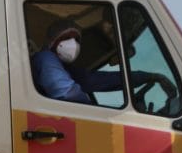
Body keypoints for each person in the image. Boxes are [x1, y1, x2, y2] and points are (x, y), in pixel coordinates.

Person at [31, 19, 172, 104]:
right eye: (67, 38)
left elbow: (104, 80)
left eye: (76, 40)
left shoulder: (69, 71)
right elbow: (69, 94)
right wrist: (96, 113)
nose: (73, 44)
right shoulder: (45, 58)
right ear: (53, 40)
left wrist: (148, 76)